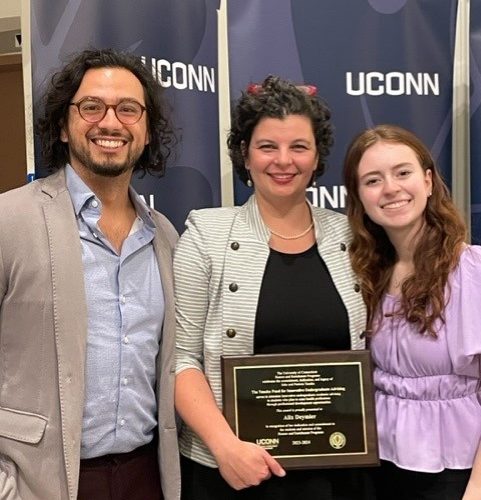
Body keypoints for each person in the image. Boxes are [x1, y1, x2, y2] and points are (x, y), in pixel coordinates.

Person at [174, 75, 370, 499]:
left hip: (337, 473)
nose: (284, 160)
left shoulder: (353, 238)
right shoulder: (205, 236)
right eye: (267, 147)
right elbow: (181, 359)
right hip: (232, 471)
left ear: (318, 157)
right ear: (245, 154)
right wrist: (225, 449)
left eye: (299, 146)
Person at [0, 48, 180, 500]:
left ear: (145, 131)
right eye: (91, 107)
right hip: (37, 483)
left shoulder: (164, 236)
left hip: (147, 477)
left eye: (128, 109)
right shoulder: (9, 220)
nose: (111, 123)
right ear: (63, 125)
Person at [343, 124, 481, 500]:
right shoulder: (362, 273)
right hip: (376, 465)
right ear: (359, 197)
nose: (390, 188)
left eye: (402, 173)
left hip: (455, 471)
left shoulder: (473, 271)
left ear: (429, 181)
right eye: (372, 180)